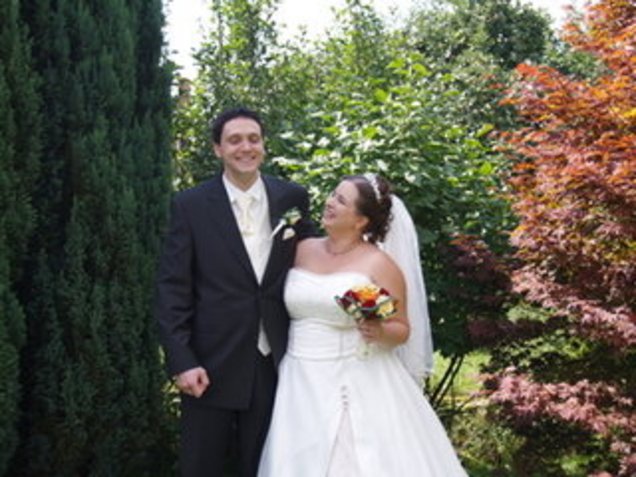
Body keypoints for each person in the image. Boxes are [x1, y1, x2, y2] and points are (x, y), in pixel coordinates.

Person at [258, 174, 468, 476]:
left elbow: (402, 328)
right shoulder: (301, 249)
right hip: (298, 376)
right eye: (333, 194)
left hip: (353, 376)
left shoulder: (379, 264)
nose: (330, 202)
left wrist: (380, 332)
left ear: (361, 221)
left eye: (341, 200)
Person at [154, 107, 315, 477]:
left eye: (254, 139)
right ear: (218, 149)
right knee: (202, 465)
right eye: (235, 140)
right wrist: (182, 360)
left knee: (266, 465)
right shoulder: (189, 205)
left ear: (264, 145)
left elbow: (311, 260)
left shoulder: (292, 198)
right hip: (209, 362)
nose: (246, 147)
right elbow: (173, 288)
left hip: (275, 359)